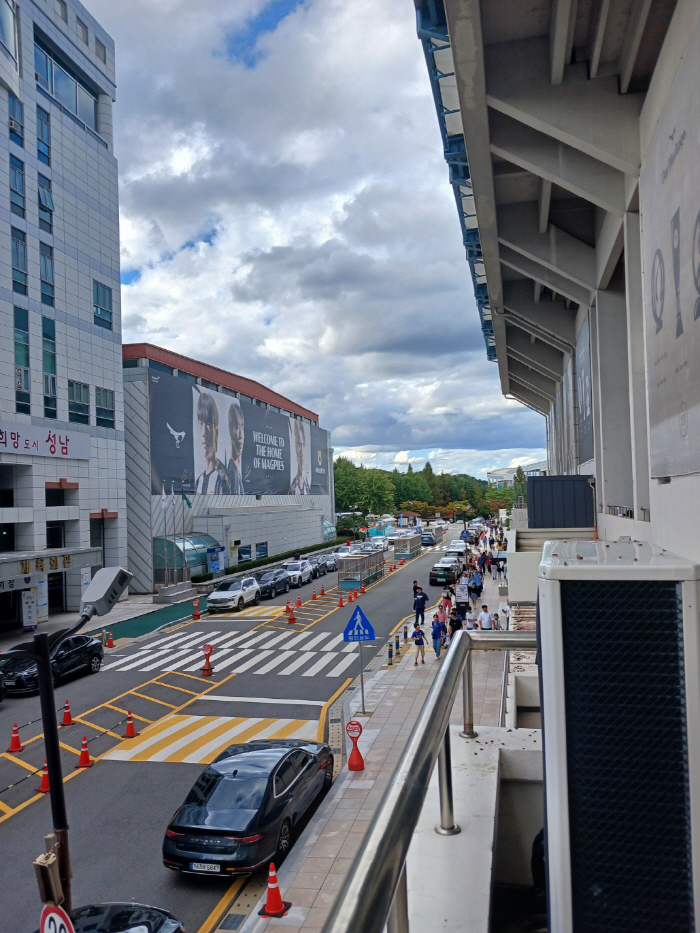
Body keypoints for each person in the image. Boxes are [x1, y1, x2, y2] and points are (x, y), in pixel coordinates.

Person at [195, 392, 228, 494]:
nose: (204, 432)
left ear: (216, 433)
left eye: (209, 424)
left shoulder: (222, 477)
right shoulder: (199, 480)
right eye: (201, 423)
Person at [226, 402, 245, 495]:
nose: (240, 435)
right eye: (237, 428)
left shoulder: (237, 472)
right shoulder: (231, 473)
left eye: (242, 428)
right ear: (230, 431)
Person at [289, 421, 311, 495]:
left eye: (303, 445)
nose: (301, 450)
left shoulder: (308, 487)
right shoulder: (292, 489)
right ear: (295, 448)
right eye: (298, 445)